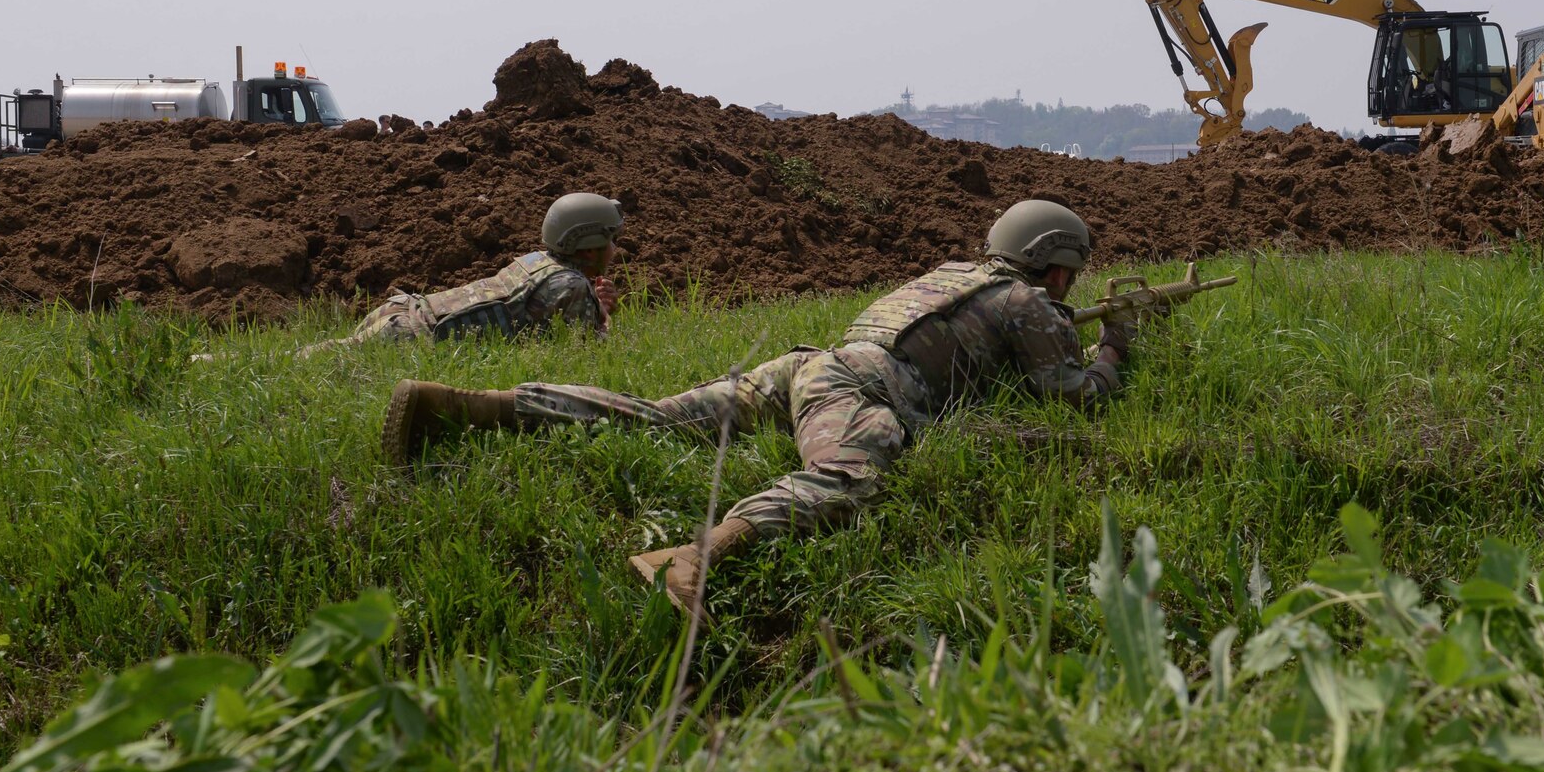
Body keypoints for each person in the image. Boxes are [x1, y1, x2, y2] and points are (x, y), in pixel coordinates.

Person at [380, 199, 1140, 617]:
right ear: (1055, 263)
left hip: (807, 365)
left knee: (659, 416)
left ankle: (466, 405)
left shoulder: (952, 274)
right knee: (851, 475)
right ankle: (692, 556)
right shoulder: (1026, 301)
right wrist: (1116, 345)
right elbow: (1073, 395)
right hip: (861, 390)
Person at [305, 192, 623, 354]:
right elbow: (586, 356)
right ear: (589, 248)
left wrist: (594, 307)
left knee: (321, 356)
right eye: (611, 239)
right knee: (313, 363)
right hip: (409, 337)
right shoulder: (571, 285)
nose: (614, 248)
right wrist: (604, 315)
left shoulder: (536, 261)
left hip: (403, 311)